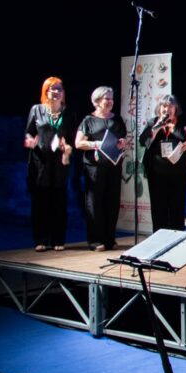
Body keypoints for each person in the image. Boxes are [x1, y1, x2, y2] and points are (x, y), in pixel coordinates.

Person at [75, 86, 128, 252]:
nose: (110, 101)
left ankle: (109, 238)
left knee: (112, 201)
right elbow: (78, 143)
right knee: (94, 202)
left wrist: (123, 143)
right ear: (97, 101)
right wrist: (94, 144)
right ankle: (95, 240)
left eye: (112, 98)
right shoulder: (88, 120)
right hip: (94, 167)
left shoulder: (117, 119)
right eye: (107, 98)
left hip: (113, 165)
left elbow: (123, 139)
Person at [24, 77, 74, 252]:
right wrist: (30, 142)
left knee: (59, 201)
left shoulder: (67, 113)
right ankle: (41, 239)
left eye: (60, 89)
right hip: (40, 163)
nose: (57, 92)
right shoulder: (37, 110)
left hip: (60, 163)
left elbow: (72, 138)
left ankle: (58, 239)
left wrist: (68, 147)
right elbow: (28, 133)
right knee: (40, 201)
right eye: (53, 88)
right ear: (46, 91)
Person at [139, 95, 186, 234]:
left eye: (170, 106)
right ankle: (159, 237)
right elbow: (143, 141)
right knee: (158, 207)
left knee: (177, 206)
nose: (167, 109)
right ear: (159, 108)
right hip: (156, 172)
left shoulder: (183, 123)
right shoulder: (153, 122)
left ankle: (177, 236)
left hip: (179, 172)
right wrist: (158, 126)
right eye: (164, 106)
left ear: (176, 108)